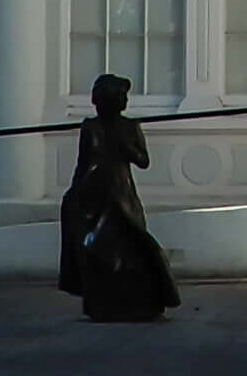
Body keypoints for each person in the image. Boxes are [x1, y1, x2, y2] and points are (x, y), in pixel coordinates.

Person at [57, 73, 180, 323]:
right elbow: (83, 163)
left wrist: (124, 146)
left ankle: (149, 298)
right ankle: (104, 304)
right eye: (120, 96)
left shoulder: (129, 127)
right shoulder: (90, 127)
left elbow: (143, 161)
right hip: (94, 194)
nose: (124, 101)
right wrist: (74, 191)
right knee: (97, 250)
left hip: (121, 192)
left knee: (135, 243)